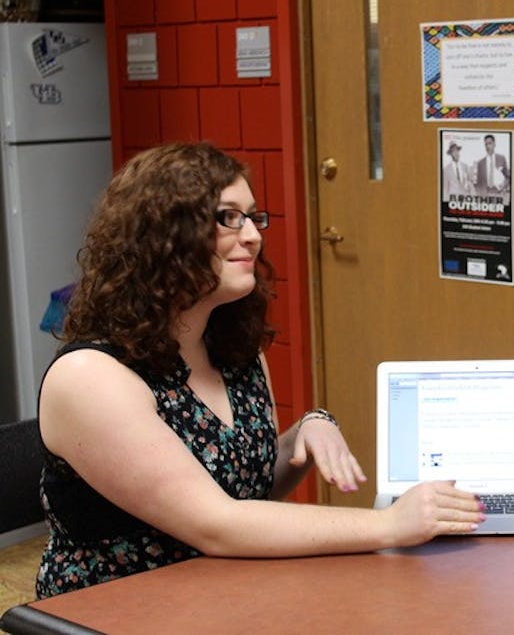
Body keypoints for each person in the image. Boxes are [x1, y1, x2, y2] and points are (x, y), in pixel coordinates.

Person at [35, 142, 485, 598]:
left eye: (253, 217)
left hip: (222, 591)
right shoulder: (90, 377)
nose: (252, 235)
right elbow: (217, 523)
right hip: (117, 608)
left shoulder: (233, 350)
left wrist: (305, 433)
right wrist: (390, 525)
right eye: (229, 217)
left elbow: (248, 494)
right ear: (161, 236)